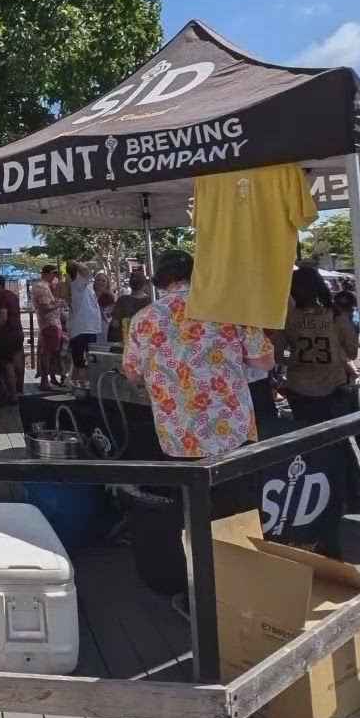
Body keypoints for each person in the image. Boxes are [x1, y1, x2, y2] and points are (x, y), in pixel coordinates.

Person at [122, 250, 274, 596]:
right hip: (232, 434)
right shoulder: (229, 309)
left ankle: (200, 594)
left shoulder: (144, 319)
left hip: (179, 438)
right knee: (237, 519)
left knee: (191, 521)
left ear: (160, 281)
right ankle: (240, 598)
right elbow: (265, 361)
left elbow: (131, 372)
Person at [280, 265, 360, 513]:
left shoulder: (290, 317)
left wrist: (296, 357)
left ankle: (315, 497)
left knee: (308, 444)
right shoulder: (336, 315)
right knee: (339, 442)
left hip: (299, 386)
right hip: (333, 384)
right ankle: (352, 495)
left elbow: (276, 353)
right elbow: (352, 351)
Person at [0, 273, 24, 406]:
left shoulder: (1, 297)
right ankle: (17, 392)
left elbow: (3, 317)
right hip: (17, 333)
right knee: (17, 364)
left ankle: (12, 395)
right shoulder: (12, 295)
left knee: (6, 365)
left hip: (6, 335)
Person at [67, 262, 103, 385]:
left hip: (85, 330)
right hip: (83, 331)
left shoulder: (83, 288)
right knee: (82, 364)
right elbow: (85, 269)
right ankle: (82, 388)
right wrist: (74, 261)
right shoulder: (78, 285)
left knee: (80, 363)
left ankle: (77, 388)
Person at [32, 265, 66, 390]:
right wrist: (58, 304)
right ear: (49, 274)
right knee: (47, 353)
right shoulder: (42, 288)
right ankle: (45, 381)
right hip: (50, 324)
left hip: (49, 324)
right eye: (54, 274)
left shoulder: (42, 287)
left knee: (52, 353)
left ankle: (51, 378)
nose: (55, 277)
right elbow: (45, 308)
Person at [108, 271, 153, 343]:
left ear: (130, 284)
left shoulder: (122, 300)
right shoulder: (150, 302)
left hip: (124, 343)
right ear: (144, 285)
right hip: (144, 343)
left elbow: (115, 324)